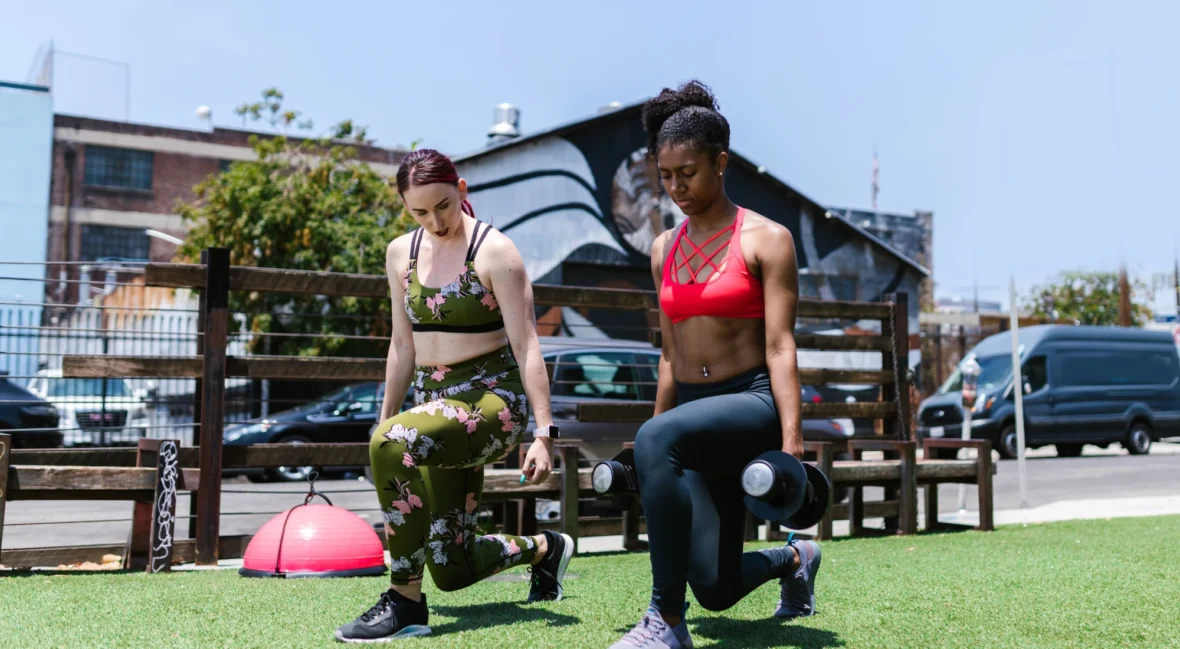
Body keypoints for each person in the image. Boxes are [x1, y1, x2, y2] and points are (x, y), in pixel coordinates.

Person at [609, 81, 822, 649]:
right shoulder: (662, 249)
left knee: (663, 440)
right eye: (667, 176)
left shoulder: (767, 240)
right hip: (692, 420)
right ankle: (795, 559)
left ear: (721, 162)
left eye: (689, 173)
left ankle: (665, 623)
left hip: (751, 404)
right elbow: (668, 352)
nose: (676, 187)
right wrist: (647, 439)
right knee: (716, 588)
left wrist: (793, 444)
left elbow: (780, 346)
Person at [335, 149, 574, 644]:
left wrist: (544, 434)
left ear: (461, 190)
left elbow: (528, 343)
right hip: (433, 407)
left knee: (393, 442)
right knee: (452, 566)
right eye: (419, 212)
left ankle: (404, 602)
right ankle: (545, 550)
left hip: (491, 403)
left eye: (443, 205)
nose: (435, 221)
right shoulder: (399, 253)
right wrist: (384, 424)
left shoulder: (495, 252)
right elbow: (402, 346)